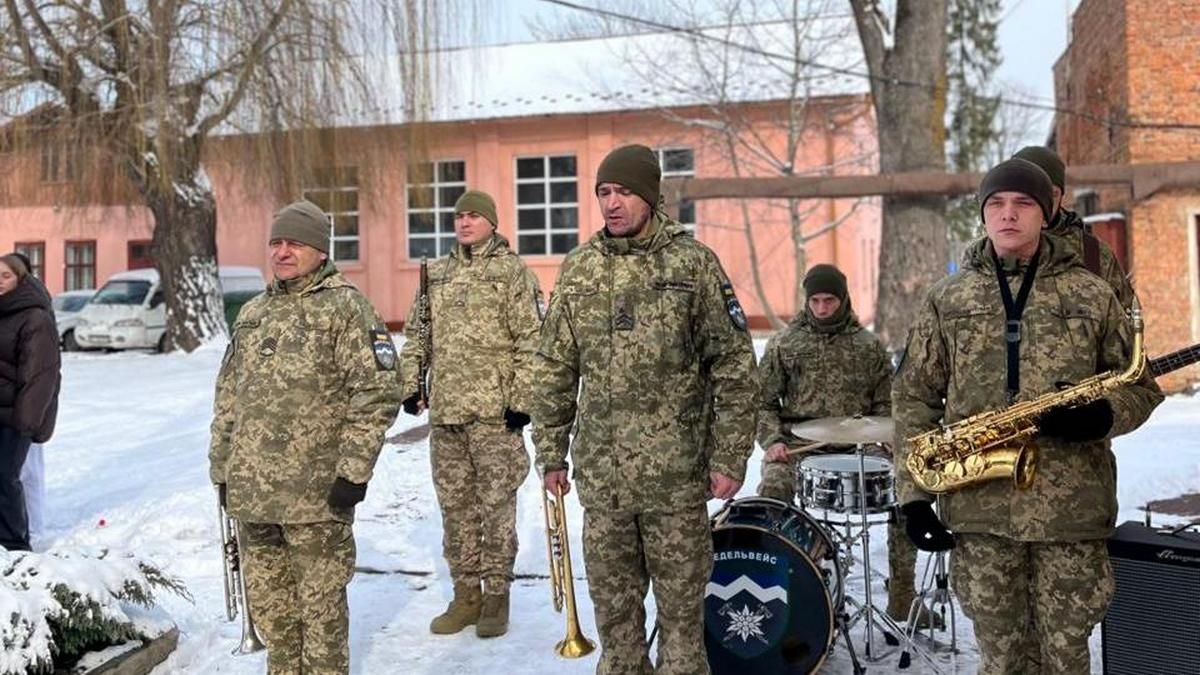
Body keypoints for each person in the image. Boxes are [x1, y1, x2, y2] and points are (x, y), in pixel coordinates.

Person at [893, 158, 1163, 674]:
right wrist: (914, 497)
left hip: (1071, 513)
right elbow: (913, 398)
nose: (1008, 214)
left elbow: (1140, 384)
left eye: (1022, 203)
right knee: (1001, 661)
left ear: (1046, 212)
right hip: (980, 513)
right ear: (982, 214)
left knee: (1066, 658)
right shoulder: (947, 298)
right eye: (995, 204)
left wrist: (1103, 416)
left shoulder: (1092, 292)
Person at [532, 144, 759, 674]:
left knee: (681, 630)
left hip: (675, 483)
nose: (612, 203)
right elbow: (555, 368)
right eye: (604, 192)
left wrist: (729, 456)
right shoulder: (581, 268)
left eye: (624, 192)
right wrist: (551, 452)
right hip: (604, 484)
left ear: (651, 197)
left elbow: (733, 365)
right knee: (616, 628)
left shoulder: (692, 264)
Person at [209, 199, 402, 675]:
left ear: (320, 250)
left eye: (294, 243)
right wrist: (223, 468)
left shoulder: (347, 309)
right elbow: (229, 395)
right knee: (274, 617)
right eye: (276, 242)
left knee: (320, 617)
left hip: (317, 496)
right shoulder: (253, 313)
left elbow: (377, 393)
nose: (282, 252)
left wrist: (353, 473)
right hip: (255, 495)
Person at [396, 189, 542, 638]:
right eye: (459, 215)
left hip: (495, 415)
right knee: (456, 509)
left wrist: (522, 401)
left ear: (492, 222)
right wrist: (411, 385)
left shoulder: (512, 273)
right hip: (448, 414)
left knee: (496, 508)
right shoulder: (436, 273)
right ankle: (466, 596)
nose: (464, 222)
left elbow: (531, 340)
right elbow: (418, 334)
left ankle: (496, 596)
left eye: (474, 215)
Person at [756, 263, 935, 626]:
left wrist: (888, 436)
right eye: (816, 301)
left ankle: (903, 595)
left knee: (908, 486)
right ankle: (782, 590)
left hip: (860, 444)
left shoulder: (869, 346)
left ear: (844, 299)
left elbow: (886, 403)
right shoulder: (784, 344)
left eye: (830, 301)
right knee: (773, 492)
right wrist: (772, 441)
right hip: (799, 445)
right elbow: (762, 403)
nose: (822, 308)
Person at [1013, 145, 1134, 309]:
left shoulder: (1093, 255)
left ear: (1061, 195)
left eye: (1051, 194)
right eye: (1029, 194)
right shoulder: (990, 254)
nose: (1042, 202)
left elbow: (1126, 316)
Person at [0, 253, 60, 552]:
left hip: (18, 414)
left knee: (8, 476)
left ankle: (15, 543)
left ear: (21, 278)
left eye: (5, 276)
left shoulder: (35, 317)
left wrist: (25, 421)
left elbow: (40, 374)